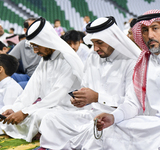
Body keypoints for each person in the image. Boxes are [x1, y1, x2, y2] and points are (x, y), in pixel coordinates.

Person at [95, 9, 160, 150]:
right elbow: (133, 104)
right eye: (144, 30)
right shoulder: (143, 63)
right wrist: (113, 117)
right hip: (158, 125)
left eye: (155, 28)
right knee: (116, 128)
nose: (149, 35)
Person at [37, 16, 141, 150]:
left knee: (102, 133)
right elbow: (86, 88)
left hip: (117, 119)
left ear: (113, 39)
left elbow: (132, 104)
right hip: (92, 114)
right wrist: (82, 100)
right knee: (50, 119)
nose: (95, 48)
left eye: (99, 42)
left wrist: (98, 97)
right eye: (93, 42)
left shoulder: (131, 62)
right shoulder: (93, 57)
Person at [0, 17, 84, 143]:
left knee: (42, 117)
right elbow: (32, 88)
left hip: (67, 111)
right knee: (6, 110)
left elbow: (56, 96)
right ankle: (35, 132)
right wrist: (17, 108)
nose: (35, 51)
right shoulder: (45, 59)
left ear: (47, 41)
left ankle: (38, 133)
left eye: (36, 46)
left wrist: (24, 112)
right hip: (46, 107)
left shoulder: (68, 59)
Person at [8, 18, 41, 89]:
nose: (37, 29)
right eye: (33, 26)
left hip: (42, 80)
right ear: (25, 30)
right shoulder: (22, 44)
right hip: (28, 77)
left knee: (16, 87)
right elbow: (8, 60)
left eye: (38, 26)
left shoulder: (45, 43)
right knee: (4, 78)